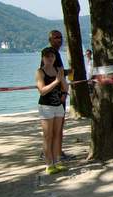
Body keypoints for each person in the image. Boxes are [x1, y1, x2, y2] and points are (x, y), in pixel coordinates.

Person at [36, 47, 69, 175]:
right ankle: (49, 163)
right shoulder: (40, 72)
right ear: (43, 58)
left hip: (58, 105)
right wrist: (56, 81)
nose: (50, 59)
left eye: (52, 56)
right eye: (47, 56)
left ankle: (57, 161)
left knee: (57, 134)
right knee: (47, 135)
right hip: (46, 106)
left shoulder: (57, 70)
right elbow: (42, 90)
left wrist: (64, 91)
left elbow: (65, 86)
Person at [45, 30, 70, 161]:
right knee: (55, 126)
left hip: (57, 92)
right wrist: (67, 72)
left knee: (56, 125)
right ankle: (56, 152)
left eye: (60, 37)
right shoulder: (51, 52)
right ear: (50, 39)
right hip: (54, 94)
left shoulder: (56, 53)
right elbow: (57, 73)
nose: (59, 40)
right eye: (56, 38)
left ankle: (55, 151)